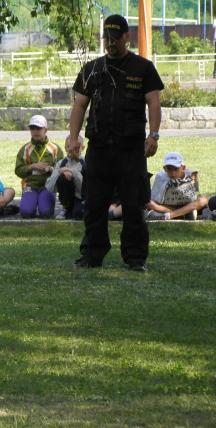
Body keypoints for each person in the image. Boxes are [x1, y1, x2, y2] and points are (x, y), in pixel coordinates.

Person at [69, 14, 164, 272]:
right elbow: (79, 105)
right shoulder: (92, 69)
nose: (110, 44)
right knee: (95, 205)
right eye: (106, 39)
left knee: (133, 205)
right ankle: (91, 255)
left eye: (115, 39)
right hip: (99, 147)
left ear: (126, 37)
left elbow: (154, 103)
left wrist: (153, 135)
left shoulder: (142, 67)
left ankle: (135, 259)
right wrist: (73, 136)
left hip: (131, 148)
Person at [15, 114, 64, 219]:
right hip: (30, 185)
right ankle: (31, 202)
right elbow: (18, 171)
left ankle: (44, 202)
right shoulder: (25, 149)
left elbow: (61, 169)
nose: (35, 131)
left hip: (48, 186)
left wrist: (49, 169)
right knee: (26, 213)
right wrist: (31, 167)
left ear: (46, 130)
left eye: (38, 128)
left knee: (46, 213)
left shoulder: (55, 149)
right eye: (32, 128)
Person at [145, 152, 209, 220]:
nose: (173, 173)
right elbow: (154, 200)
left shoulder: (191, 175)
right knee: (148, 202)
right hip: (167, 206)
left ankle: (169, 216)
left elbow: (195, 197)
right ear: (165, 169)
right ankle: (185, 214)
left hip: (186, 205)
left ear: (183, 168)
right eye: (169, 169)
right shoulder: (160, 176)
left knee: (204, 199)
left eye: (176, 169)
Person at [46, 135, 86, 220]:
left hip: (83, 197)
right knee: (63, 178)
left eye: (76, 147)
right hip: (69, 197)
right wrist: (60, 172)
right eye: (69, 146)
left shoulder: (86, 162)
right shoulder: (61, 163)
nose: (72, 149)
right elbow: (50, 187)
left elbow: (86, 189)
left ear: (82, 148)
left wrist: (73, 172)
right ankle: (66, 208)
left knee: (78, 215)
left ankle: (76, 210)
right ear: (65, 148)